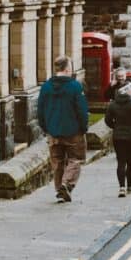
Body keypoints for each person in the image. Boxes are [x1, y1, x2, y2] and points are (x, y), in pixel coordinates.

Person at [37, 55, 89, 203]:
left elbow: (40, 111)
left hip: (53, 132)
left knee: (57, 162)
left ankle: (59, 190)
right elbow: (81, 110)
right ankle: (66, 185)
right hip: (73, 132)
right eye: (71, 68)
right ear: (67, 69)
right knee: (76, 159)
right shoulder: (75, 86)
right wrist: (83, 128)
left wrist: (46, 128)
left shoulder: (46, 87)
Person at [105, 81, 131, 196]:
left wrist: (116, 127)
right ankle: (130, 186)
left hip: (118, 137)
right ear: (127, 91)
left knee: (121, 161)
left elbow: (107, 120)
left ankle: (122, 187)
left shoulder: (112, 104)